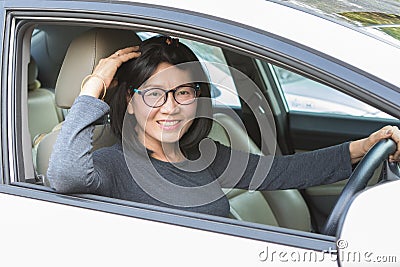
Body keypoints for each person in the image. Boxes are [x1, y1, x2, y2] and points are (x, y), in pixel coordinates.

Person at [47, 36, 400, 217]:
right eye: (154, 94)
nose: (170, 108)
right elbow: (64, 175)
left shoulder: (204, 156)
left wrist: (364, 147)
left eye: (183, 92)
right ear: (129, 99)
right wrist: (94, 86)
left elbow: (282, 171)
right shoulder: (113, 166)